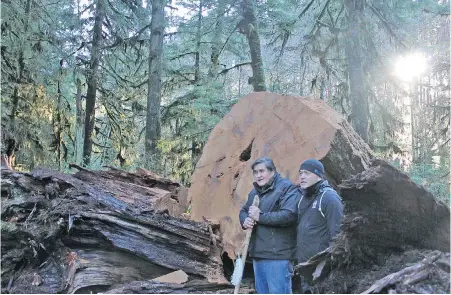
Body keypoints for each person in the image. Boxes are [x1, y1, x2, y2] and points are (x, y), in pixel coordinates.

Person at [239, 157, 300, 294]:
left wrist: (260, 217)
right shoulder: (255, 192)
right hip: (258, 254)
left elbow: (289, 215)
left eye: (262, 171)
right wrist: (245, 220)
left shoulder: (287, 188)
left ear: (272, 171)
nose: (258, 175)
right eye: (255, 172)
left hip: (278, 256)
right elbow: (244, 210)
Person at [296, 158, 344, 293]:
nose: (302, 177)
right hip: (305, 267)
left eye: (307, 173)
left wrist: (327, 265)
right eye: (300, 173)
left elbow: (338, 236)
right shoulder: (303, 198)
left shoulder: (329, 198)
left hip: (322, 270)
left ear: (318, 176)